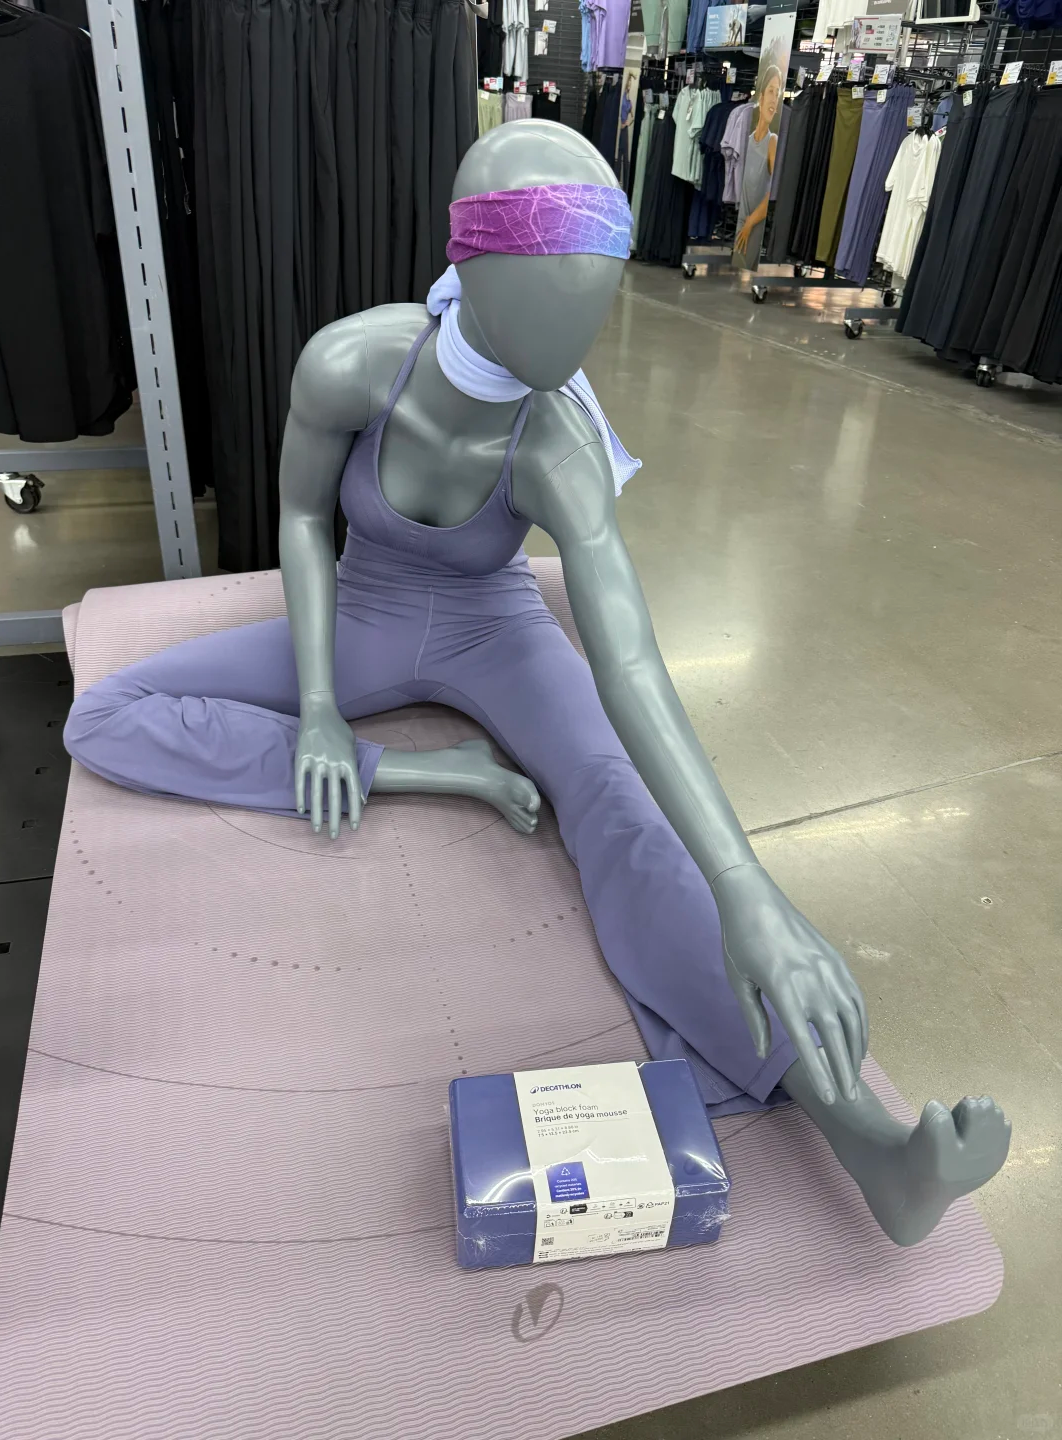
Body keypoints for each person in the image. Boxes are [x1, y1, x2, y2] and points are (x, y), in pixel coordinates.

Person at [65, 122, 1009, 1246]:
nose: (575, 338)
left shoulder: (560, 443)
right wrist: (324, 715)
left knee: (624, 812)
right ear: (471, 274)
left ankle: (867, 1143)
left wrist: (748, 887)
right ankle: (432, 772)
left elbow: (632, 664)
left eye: (594, 305)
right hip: (364, 619)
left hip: (496, 630)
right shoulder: (352, 363)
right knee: (106, 713)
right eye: (547, 305)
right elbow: (305, 521)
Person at [734, 64, 782, 269]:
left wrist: (750, 223)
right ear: (761, 97)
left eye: (777, 94)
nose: (774, 98)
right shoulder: (747, 140)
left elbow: (773, 191)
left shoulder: (773, 142)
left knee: (742, 266)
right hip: (742, 221)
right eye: (770, 91)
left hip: (753, 225)